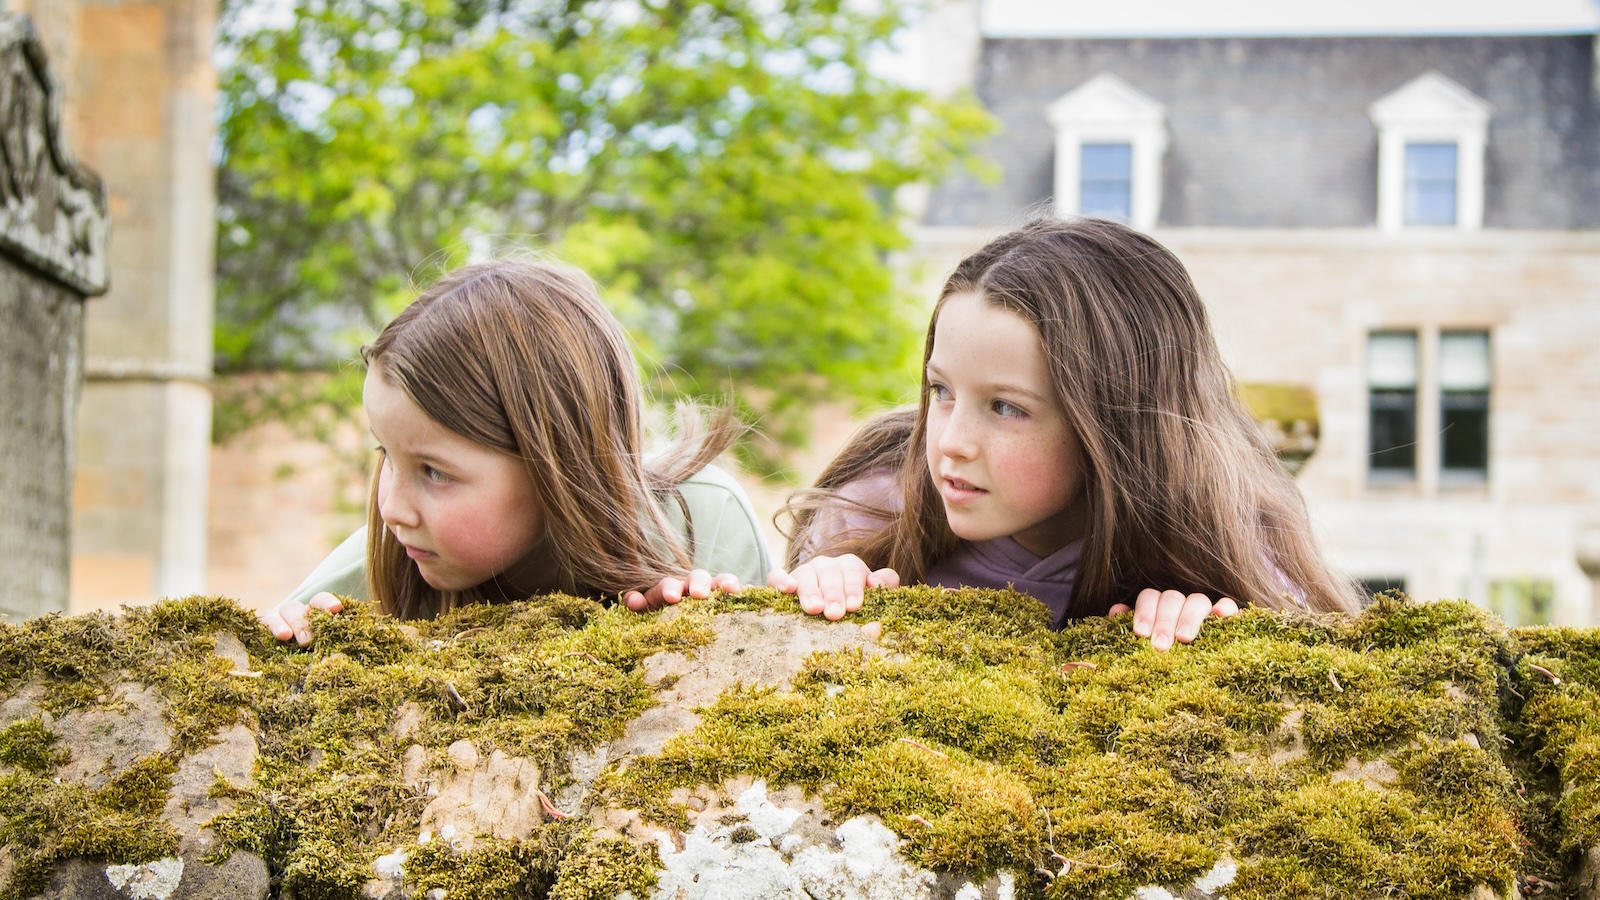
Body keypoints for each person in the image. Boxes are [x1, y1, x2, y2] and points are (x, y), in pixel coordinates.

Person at [769, 217, 1361, 648]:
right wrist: (824, 586)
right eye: (941, 391)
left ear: (1116, 425)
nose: (951, 441)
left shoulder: (1225, 542)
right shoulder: (874, 511)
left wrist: (1206, 634)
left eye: (1005, 407)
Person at [260, 258, 770, 645]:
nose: (390, 508)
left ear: (556, 464)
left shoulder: (701, 518)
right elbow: (249, 664)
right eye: (387, 456)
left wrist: (682, 637)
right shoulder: (390, 554)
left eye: (434, 472)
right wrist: (287, 638)